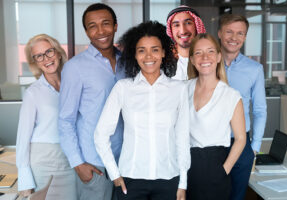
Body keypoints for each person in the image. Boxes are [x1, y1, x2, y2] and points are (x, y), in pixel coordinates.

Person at [94, 21, 190, 200]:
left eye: (154, 49)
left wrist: (182, 183)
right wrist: (114, 174)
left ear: (163, 52)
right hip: (130, 179)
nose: (148, 56)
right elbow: (100, 134)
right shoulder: (123, 88)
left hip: (169, 178)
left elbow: (182, 137)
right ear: (135, 55)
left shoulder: (179, 89)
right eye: (141, 50)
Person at [58, 3, 125, 200]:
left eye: (105, 24)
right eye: (92, 26)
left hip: (125, 161)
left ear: (115, 26)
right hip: (94, 165)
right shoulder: (74, 68)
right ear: (86, 31)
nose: (100, 31)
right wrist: (78, 163)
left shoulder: (128, 62)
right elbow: (65, 120)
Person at [186, 33, 246, 200]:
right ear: (191, 59)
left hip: (215, 167)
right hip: (185, 166)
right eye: (198, 52)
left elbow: (241, 139)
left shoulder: (231, 95)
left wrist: (224, 170)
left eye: (210, 51)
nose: (205, 57)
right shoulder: (183, 89)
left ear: (219, 56)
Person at [16, 34, 76, 199]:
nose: (46, 59)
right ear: (35, 61)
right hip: (44, 161)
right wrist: (25, 180)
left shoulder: (72, 85)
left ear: (57, 52)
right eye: (39, 56)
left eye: (49, 52)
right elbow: (22, 138)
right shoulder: (33, 93)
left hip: (70, 159)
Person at [218, 14, 267, 200]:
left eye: (240, 33)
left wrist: (254, 148)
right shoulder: (207, 65)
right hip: (212, 144)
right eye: (229, 32)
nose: (234, 38)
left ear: (245, 37)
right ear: (220, 33)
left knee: (237, 197)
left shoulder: (254, 69)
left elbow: (260, 110)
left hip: (242, 143)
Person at [166, 5, 206, 80]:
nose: (183, 31)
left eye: (188, 23)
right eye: (176, 25)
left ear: (197, 27)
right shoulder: (163, 60)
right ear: (171, 30)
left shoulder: (210, 59)